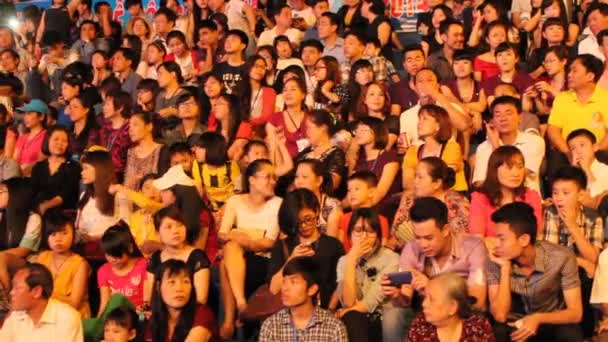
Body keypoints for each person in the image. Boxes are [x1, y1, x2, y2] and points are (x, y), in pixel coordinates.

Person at [487, 202, 584, 342]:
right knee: (499, 331)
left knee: (570, 333)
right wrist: (505, 268)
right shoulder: (495, 260)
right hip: (514, 324)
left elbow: (576, 312)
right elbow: (500, 315)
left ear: (524, 240)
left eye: (501, 239)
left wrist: (537, 319)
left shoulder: (561, 257)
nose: (496, 244)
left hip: (549, 322)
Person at [383, 197, 487, 319]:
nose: (423, 245)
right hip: (424, 309)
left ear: (445, 230)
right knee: (393, 314)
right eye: (417, 237)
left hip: (460, 313)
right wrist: (396, 296)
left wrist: (432, 287)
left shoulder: (473, 247)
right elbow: (405, 301)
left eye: (429, 238)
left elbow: (477, 302)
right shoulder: (411, 248)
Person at [218, 159, 282, 338]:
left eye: (274, 178)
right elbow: (222, 234)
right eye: (267, 177)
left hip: (263, 259)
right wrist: (243, 237)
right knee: (230, 249)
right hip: (238, 256)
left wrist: (242, 237)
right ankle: (240, 305)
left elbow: (268, 242)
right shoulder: (235, 201)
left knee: (225, 263)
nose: (273, 181)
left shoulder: (277, 203)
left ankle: (230, 320)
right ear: (252, 180)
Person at [268, 189, 344, 309]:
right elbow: (273, 289)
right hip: (289, 313)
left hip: (324, 311)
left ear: (317, 212)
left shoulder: (333, 246)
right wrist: (291, 259)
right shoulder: (283, 245)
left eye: (308, 219)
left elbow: (340, 285)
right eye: (298, 222)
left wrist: (330, 311)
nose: (303, 226)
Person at [336, 207, 402, 342]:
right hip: (355, 320)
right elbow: (348, 302)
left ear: (378, 235)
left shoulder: (391, 258)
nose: (364, 237)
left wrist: (346, 311)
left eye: (371, 231)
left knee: (352, 316)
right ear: (350, 234)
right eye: (358, 231)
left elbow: (371, 301)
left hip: (381, 318)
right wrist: (351, 261)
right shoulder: (344, 261)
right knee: (353, 318)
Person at [260, 257, 348, 341]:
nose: (284, 288)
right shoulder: (271, 326)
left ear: (312, 289)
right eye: (284, 281)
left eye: (293, 282)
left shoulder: (333, 327)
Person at [473, 95, 546, 193]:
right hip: (495, 201)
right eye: (498, 115)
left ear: (520, 117)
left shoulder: (534, 142)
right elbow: (480, 184)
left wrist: (496, 147)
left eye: (509, 113)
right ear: (492, 121)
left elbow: (514, 175)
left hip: (525, 200)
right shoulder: (483, 148)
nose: (503, 118)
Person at [391, 157, 470, 247]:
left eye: (420, 177)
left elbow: (464, 239)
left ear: (437, 183)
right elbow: (395, 231)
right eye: (415, 176)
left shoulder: (456, 203)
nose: (415, 181)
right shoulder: (409, 199)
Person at [470, 145, 543, 238]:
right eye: (509, 167)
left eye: (520, 167)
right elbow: (477, 240)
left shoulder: (531, 197)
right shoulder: (480, 198)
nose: (516, 173)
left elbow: (535, 237)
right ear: (494, 170)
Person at [145, 205, 211, 305]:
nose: (175, 231)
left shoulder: (197, 257)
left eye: (180, 225)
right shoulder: (155, 259)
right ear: (158, 233)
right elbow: (149, 299)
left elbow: (201, 299)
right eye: (168, 227)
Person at [0, 263, 84, 342]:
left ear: (37, 292)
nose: (11, 292)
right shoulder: (15, 316)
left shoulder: (66, 317)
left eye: (17, 288)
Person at [31, 211, 90, 318]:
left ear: (73, 235)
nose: (58, 239)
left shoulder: (80, 264)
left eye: (64, 233)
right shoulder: (42, 257)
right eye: (53, 234)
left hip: (71, 315)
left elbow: (74, 303)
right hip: (44, 312)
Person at [548, 54, 608, 157]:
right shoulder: (562, 98)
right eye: (569, 71)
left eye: (574, 71)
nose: (569, 75)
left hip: (598, 154)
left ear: (590, 76)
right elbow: (553, 130)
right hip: (566, 152)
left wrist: (597, 149)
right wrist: (568, 152)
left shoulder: (605, 98)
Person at [406, 272, 495, 341]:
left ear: (453, 307)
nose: (424, 304)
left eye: (431, 300)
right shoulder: (420, 327)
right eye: (425, 297)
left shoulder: (478, 327)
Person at [77, 150, 130, 260]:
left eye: (86, 168)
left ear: (100, 168)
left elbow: (125, 228)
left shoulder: (119, 195)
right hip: (85, 251)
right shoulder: (84, 196)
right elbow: (79, 226)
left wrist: (94, 238)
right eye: (82, 169)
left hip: (110, 252)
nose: (82, 173)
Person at [146, 259, 217, 341]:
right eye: (172, 282)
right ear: (158, 286)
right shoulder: (155, 319)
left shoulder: (203, 313)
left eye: (186, 282)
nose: (179, 288)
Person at [402, 104, 467, 193]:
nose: (419, 123)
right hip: (421, 196)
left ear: (438, 126)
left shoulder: (451, 147)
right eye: (419, 119)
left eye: (425, 119)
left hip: (450, 196)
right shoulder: (412, 151)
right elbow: (407, 182)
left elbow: (444, 179)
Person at [351, 117, 401, 214]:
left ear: (377, 132)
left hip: (383, 210)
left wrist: (360, 210)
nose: (358, 133)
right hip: (360, 210)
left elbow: (380, 192)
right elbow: (352, 190)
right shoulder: (360, 160)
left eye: (364, 130)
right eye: (357, 130)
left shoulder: (389, 157)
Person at [97, 223, 148, 316]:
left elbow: (147, 303)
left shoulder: (144, 265)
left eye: (117, 255)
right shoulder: (103, 270)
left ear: (130, 248)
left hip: (140, 315)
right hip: (116, 319)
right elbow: (104, 303)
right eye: (108, 254)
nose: (113, 259)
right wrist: (98, 323)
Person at [0, 178, 41, 288]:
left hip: (26, 262)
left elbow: (24, 250)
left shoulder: (33, 218)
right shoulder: (2, 215)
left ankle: (5, 298)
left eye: (1, 191)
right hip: (4, 259)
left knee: (1, 258)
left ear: (16, 194)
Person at [31, 126, 80, 214]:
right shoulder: (38, 167)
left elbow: (66, 194)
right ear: (48, 141)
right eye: (56, 139)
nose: (60, 143)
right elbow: (32, 191)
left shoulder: (74, 167)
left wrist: (46, 206)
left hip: (63, 213)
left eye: (64, 141)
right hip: (38, 210)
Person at [189, 132, 240, 211]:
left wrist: (224, 208)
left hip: (231, 206)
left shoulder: (231, 166)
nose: (196, 150)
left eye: (200, 147)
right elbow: (199, 190)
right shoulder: (198, 165)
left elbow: (238, 190)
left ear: (212, 149)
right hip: (211, 207)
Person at [266, 77, 309, 158]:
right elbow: (273, 152)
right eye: (285, 90)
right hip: (281, 165)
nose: (288, 93)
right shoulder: (274, 119)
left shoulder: (310, 119)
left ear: (303, 95)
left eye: (293, 89)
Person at [124, 112, 169, 191]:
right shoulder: (129, 152)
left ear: (149, 127)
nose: (130, 129)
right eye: (129, 126)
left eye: (135, 125)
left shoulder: (162, 150)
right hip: (130, 195)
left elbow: (164, 182)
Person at [96, 90, 133, 180]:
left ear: (120, 108)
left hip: (123, 175)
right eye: (104, 104)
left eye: (108, 105)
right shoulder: (104, 129)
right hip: (104, 172)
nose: (104, 108)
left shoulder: (130, 128)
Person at [567, 129, 608, 209]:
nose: (578, 151)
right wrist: (573, 172)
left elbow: (597, 199)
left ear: (594, 147)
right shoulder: (570, 172)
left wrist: (586, 170)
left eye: (582, 145)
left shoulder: (605, 170)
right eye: (573, 149)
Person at [12, 99, 48, 177]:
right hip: (19, 178)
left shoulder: (47, 136)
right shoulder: (23, 137)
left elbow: (42, 161)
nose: (25, 117)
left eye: (29, 113)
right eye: (25, 114)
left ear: (41, 116)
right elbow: (14, 160)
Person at [428, 18, 465, 83]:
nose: (460, 38)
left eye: (461, 35)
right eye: (455, 35)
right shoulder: (432, 60)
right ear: (444, 37)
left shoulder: (467, 58)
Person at [211, 29, 247, 94]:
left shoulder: (248, 68)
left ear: (243, 46)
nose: (228, 43)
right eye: (227, 40)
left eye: (233, 40)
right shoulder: (218, 68)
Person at [154, 61, 189, 126]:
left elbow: (189, 115)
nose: (158, 78)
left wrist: (173, 111)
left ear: (173, 74)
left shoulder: (184, 94)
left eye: (160, 74)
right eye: (157, 75)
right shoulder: (160, 95)